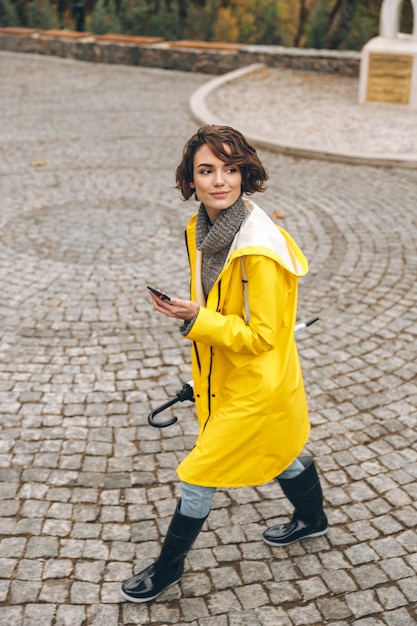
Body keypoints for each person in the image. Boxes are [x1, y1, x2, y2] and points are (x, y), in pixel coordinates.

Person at [121, 125, 328, 604]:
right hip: (228, 377)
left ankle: (167, 569)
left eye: (230, 169)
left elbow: (263, 336)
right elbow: (220, 305)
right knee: (282, 451)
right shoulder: (201, 228)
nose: (220, 180)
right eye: (206, 170)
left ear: (245, 173)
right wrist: (200, 325)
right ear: (190, 180)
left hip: (259, 384)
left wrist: (196, 317)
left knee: (198, 472)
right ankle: (313, 520)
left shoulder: (259, 249)